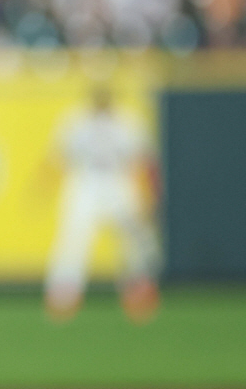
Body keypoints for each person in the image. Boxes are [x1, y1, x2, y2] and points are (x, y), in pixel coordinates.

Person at [43, 86, 160, 324]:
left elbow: (144, 160)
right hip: (86, 181)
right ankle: (64, 295)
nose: (101, 99)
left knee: (136, 238)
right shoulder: (75, 121)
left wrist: (151, 194)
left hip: (118, 180)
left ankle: (139, 291)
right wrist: (44, 185)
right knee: (73, 239)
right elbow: (59, 156)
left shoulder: (128, 121)